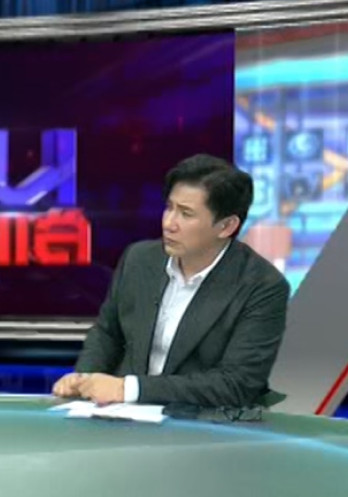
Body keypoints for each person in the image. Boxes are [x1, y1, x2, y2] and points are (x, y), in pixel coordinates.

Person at [52, 154, 289, 408]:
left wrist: (128, 389)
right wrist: (84, 379)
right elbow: (108, 333)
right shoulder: (139, 259)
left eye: (186, 214)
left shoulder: (262, 286)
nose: (168, 223)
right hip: (121, 417)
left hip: (201, 423)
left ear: (226, 226)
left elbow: (236, 384)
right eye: (169, 208)